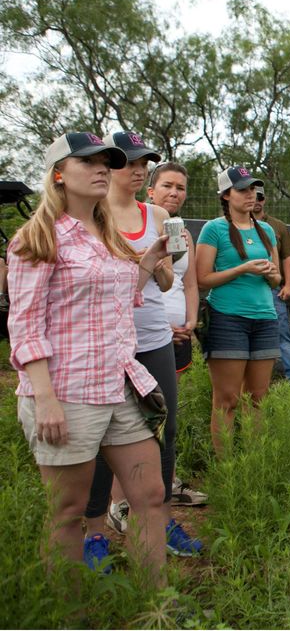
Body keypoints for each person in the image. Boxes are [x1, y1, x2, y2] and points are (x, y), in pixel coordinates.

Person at [7, 132, 168, 583]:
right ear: (59, 174)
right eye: (88, 162)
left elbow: (116, 300)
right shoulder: (37, 238)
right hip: (68, 391)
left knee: (150, 495)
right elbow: (25, 325)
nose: (102, 169)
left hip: (121, 384)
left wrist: (146, 263)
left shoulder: (108, 234)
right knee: (68, 509)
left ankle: (154, 601)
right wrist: (45, 399)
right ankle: (69, 609)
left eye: (106, 162)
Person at [83, 132, 202, 568]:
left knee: (164, 429)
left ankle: (160, 520)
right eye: (129, 163)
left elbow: (168, 281)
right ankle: (94, 531)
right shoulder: (89, 215)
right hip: (106, 341)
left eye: (144, 164)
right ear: (108, 166)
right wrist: (143, 263)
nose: (138, 171)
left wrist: (163, 262)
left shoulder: (157, 215)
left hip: (152, 337)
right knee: (100, 437)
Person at [195, 166, 281, 455]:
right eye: (242, 189)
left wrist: (272, 275)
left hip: (265, 319)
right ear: (225, 195)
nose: (250, 194)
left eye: (253, 189)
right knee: (227, 399)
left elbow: (277, 279)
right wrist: (242, 269)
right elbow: (202, 279)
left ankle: (252, 463)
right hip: (227, 319)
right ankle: (226, 466)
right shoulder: (214, 229)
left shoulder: (266, 230)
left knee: (258, 398)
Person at [144, 160, 208, 507]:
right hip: (148, 332)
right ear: (150, 191)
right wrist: (161, 325)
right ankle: (127, 494)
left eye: (180, 188)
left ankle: (166, 480)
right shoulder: (139, 225)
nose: (174, 192)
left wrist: (191, 321)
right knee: (139, 414)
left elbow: (191, 283)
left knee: (167, 411)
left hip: (180, 334)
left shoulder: (183, 232)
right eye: (167, 185)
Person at [252, 186, 290, 383]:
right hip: (243, 288)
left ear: (265, 199)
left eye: (260, 197)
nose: (256, 200)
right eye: (253, 196)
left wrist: (288, 284)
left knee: (282, 333)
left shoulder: (277, 226)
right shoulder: (234, 224)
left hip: (271, 288)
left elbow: (287, 257)